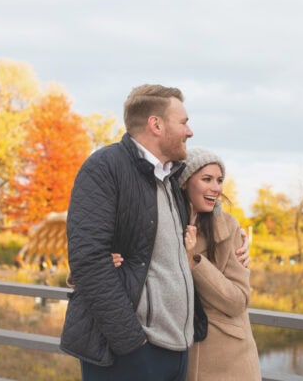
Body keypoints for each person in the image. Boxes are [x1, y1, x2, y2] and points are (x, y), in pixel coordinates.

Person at [60, 84, 249, 381]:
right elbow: (88, 261)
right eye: (184, 122)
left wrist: (238, 237)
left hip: (175, 353)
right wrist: (132, 344)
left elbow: (203, 197)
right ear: (156, 124)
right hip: (131, 354)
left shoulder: (172, 179)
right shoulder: (104, 168)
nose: (190, 131)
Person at [181, 147, 261, 381]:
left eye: (219, 180)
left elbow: (238, 301)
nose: (216, 187)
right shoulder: (164, 225)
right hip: (178, 357)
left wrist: (195, 262)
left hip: (231, 361)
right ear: (185, 182)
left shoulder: (228, 228)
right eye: (207, 179)